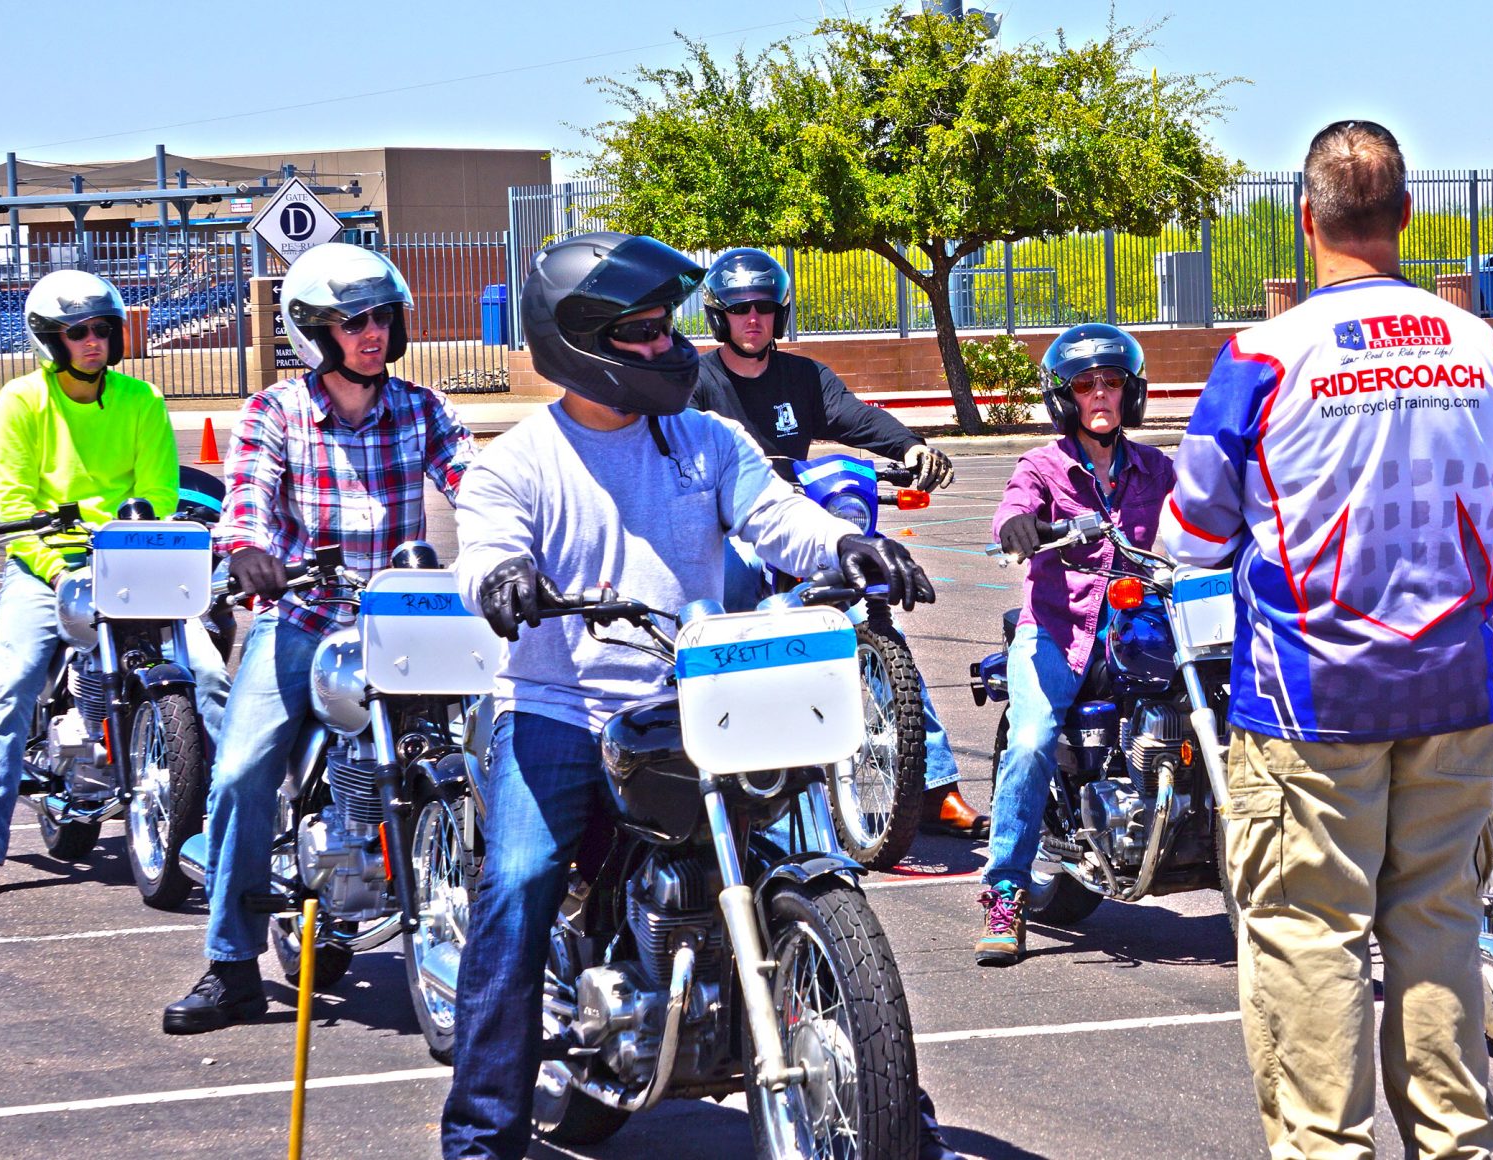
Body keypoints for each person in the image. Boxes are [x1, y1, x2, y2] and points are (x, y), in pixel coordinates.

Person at [438, 232, 951, 1160]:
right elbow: (483, 551)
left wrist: (844, 546)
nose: (669, 346)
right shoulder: (514, 463)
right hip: (560, 704)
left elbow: (776, 514)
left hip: (693, 691)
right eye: (641, 332)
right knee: (515, 890)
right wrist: (504, 578)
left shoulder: (705, 437)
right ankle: (481, 1141)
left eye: (668, 326)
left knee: (804, 849)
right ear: (579, 341)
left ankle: (894, 1119)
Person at [1160, 119, 1493, 1159]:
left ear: (1304, 221)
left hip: (1306, 700)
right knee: (1436, 930)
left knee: (1306, 938)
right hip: (1453, 691)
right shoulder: (1479, 347)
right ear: (1406, 216)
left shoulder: (1262, 356)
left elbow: (1189, 530)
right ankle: (1453, 1142)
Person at [162, 243, 474, 1032]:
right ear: (314, 334)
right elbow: (246, 496)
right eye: (353, 321)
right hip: (303, 619)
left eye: (382, 317)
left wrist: (523, 543)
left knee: (487, 751)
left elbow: (481, 487)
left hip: (405, 620)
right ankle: (231, 964)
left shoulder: (423, 408)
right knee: (239, 772)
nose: (373, 333)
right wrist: (248, 551)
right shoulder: (276, 411)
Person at [692, 247, 983, 837]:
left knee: (870, 624)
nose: (755, 318)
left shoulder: (803, 377)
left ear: (782, 313)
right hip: (726, 531)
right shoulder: (696, 381)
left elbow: (854, 416)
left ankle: (932, 785)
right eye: (742, 308)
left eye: (766, 308)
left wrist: (909, 447)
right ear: (718, 316)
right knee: (732, 621)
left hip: (797, 523)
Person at [0, 271, 228, 900]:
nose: (93, 341)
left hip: (133, 562)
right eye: (77, 331)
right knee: (13, 686)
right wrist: (57, 568)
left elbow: (159, 494)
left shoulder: (141, 400)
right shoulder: (21, 401)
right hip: (45, 563)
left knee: (214, 678)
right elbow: (14, 500)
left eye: (102, 329)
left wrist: (128, 539)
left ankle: (234, 830)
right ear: (49, 340)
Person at [978, 322, 1176, 966]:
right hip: (1057, 630)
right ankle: (1006, 891)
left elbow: (1208, 511)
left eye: (1111, 382)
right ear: (1066, 397)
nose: (1100, 394)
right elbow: (1011, 512)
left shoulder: (1155, 468)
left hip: (1142, 626)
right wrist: (1022, 530)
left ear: (1131, 393)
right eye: (1086, 383)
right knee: (1032, 739)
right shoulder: (1041, 465)